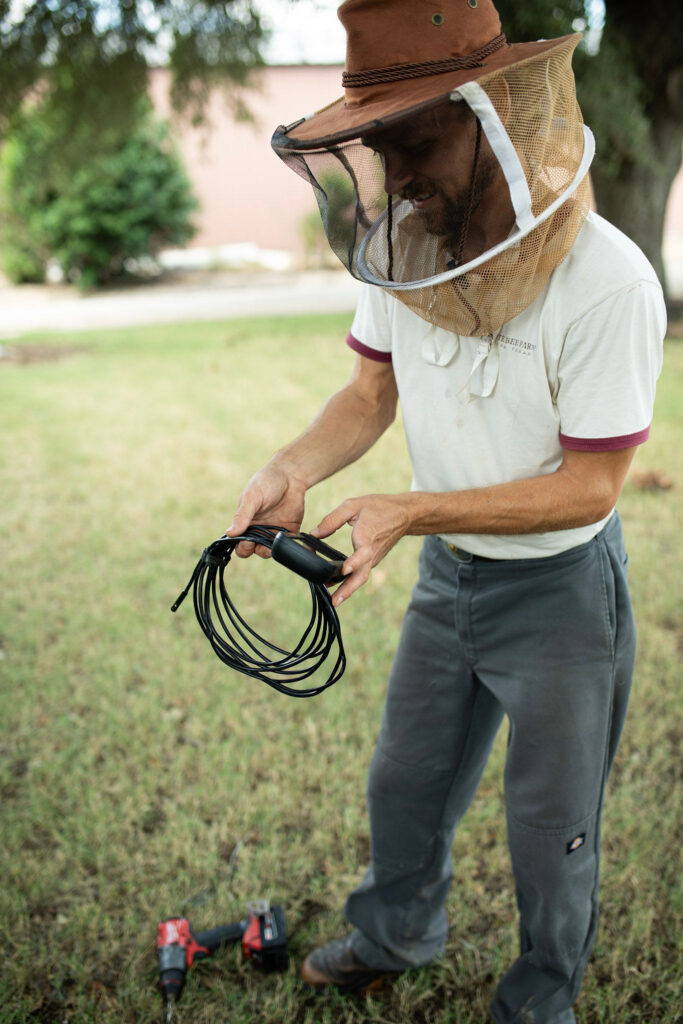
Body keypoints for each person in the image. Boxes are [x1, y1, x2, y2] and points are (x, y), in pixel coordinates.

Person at [226, 2, 666, 1021]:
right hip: (446, 584)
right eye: (380, 142)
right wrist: (291, 466)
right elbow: (368, 396)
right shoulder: (401, 251)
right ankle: (392, 934)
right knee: (403, 783)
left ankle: (537, 1000)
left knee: (549, 829)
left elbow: (590, 487)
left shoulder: (606, 281)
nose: (397, 168)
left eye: (415, 135)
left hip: (561, 594)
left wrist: (411, 507)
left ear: (493, 114)